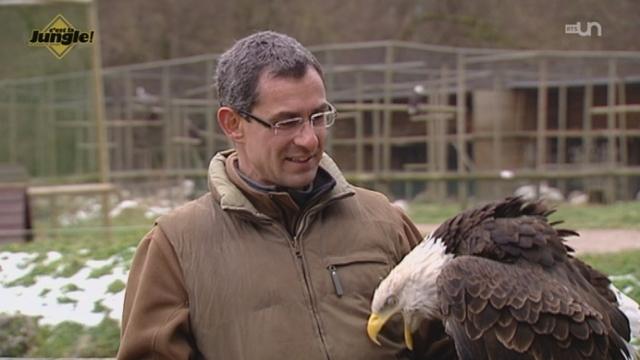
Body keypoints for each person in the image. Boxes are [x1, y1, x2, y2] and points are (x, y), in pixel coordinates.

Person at [118, 31, 430, 359]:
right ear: (233, 123)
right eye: (287, 122)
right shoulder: (176, 246)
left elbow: (444, 341)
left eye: (318, 117)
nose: (309, 139)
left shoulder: (383, 220)